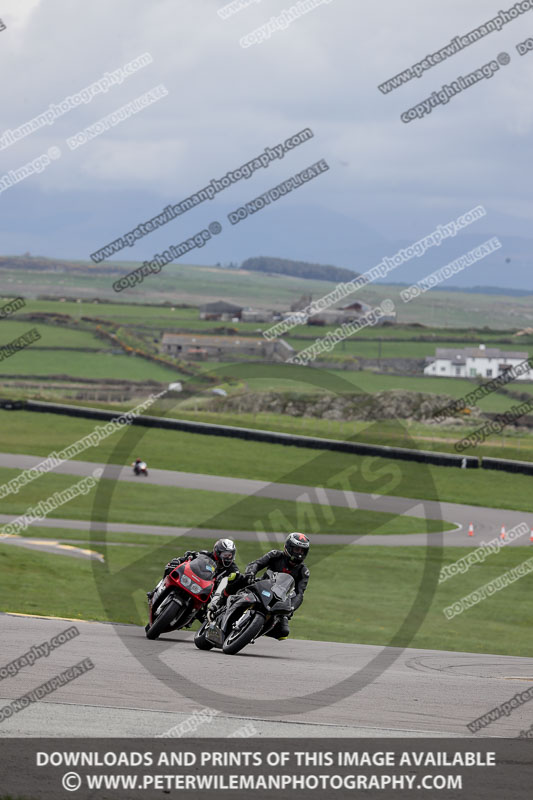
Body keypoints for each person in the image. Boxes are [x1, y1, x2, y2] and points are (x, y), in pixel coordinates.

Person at [210, 532, 310, 640]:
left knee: (283, 632)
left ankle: (251, 633)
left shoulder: (303, 572)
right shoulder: (275, 555)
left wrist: (291, 608)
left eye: (302, 550)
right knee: (236, 578)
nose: (299, 553)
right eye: (296, 549)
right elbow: (256, 564)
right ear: (288, 547)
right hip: (261, 586)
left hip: (279, 600)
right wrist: (251, 573)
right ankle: (219, 604)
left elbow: (300, 593)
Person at [147, 538, 239, 609]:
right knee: (171, 568)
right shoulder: (206, 555)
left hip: (209, 593)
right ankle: (157, 590)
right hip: (193, 581)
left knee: (209, 612)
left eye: (230, 555)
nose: (227, 558)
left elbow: (235, 580)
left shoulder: (233, 569)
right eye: (225, 555)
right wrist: (181, 560)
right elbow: (190, 558)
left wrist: (234, 580)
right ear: (217, 552)